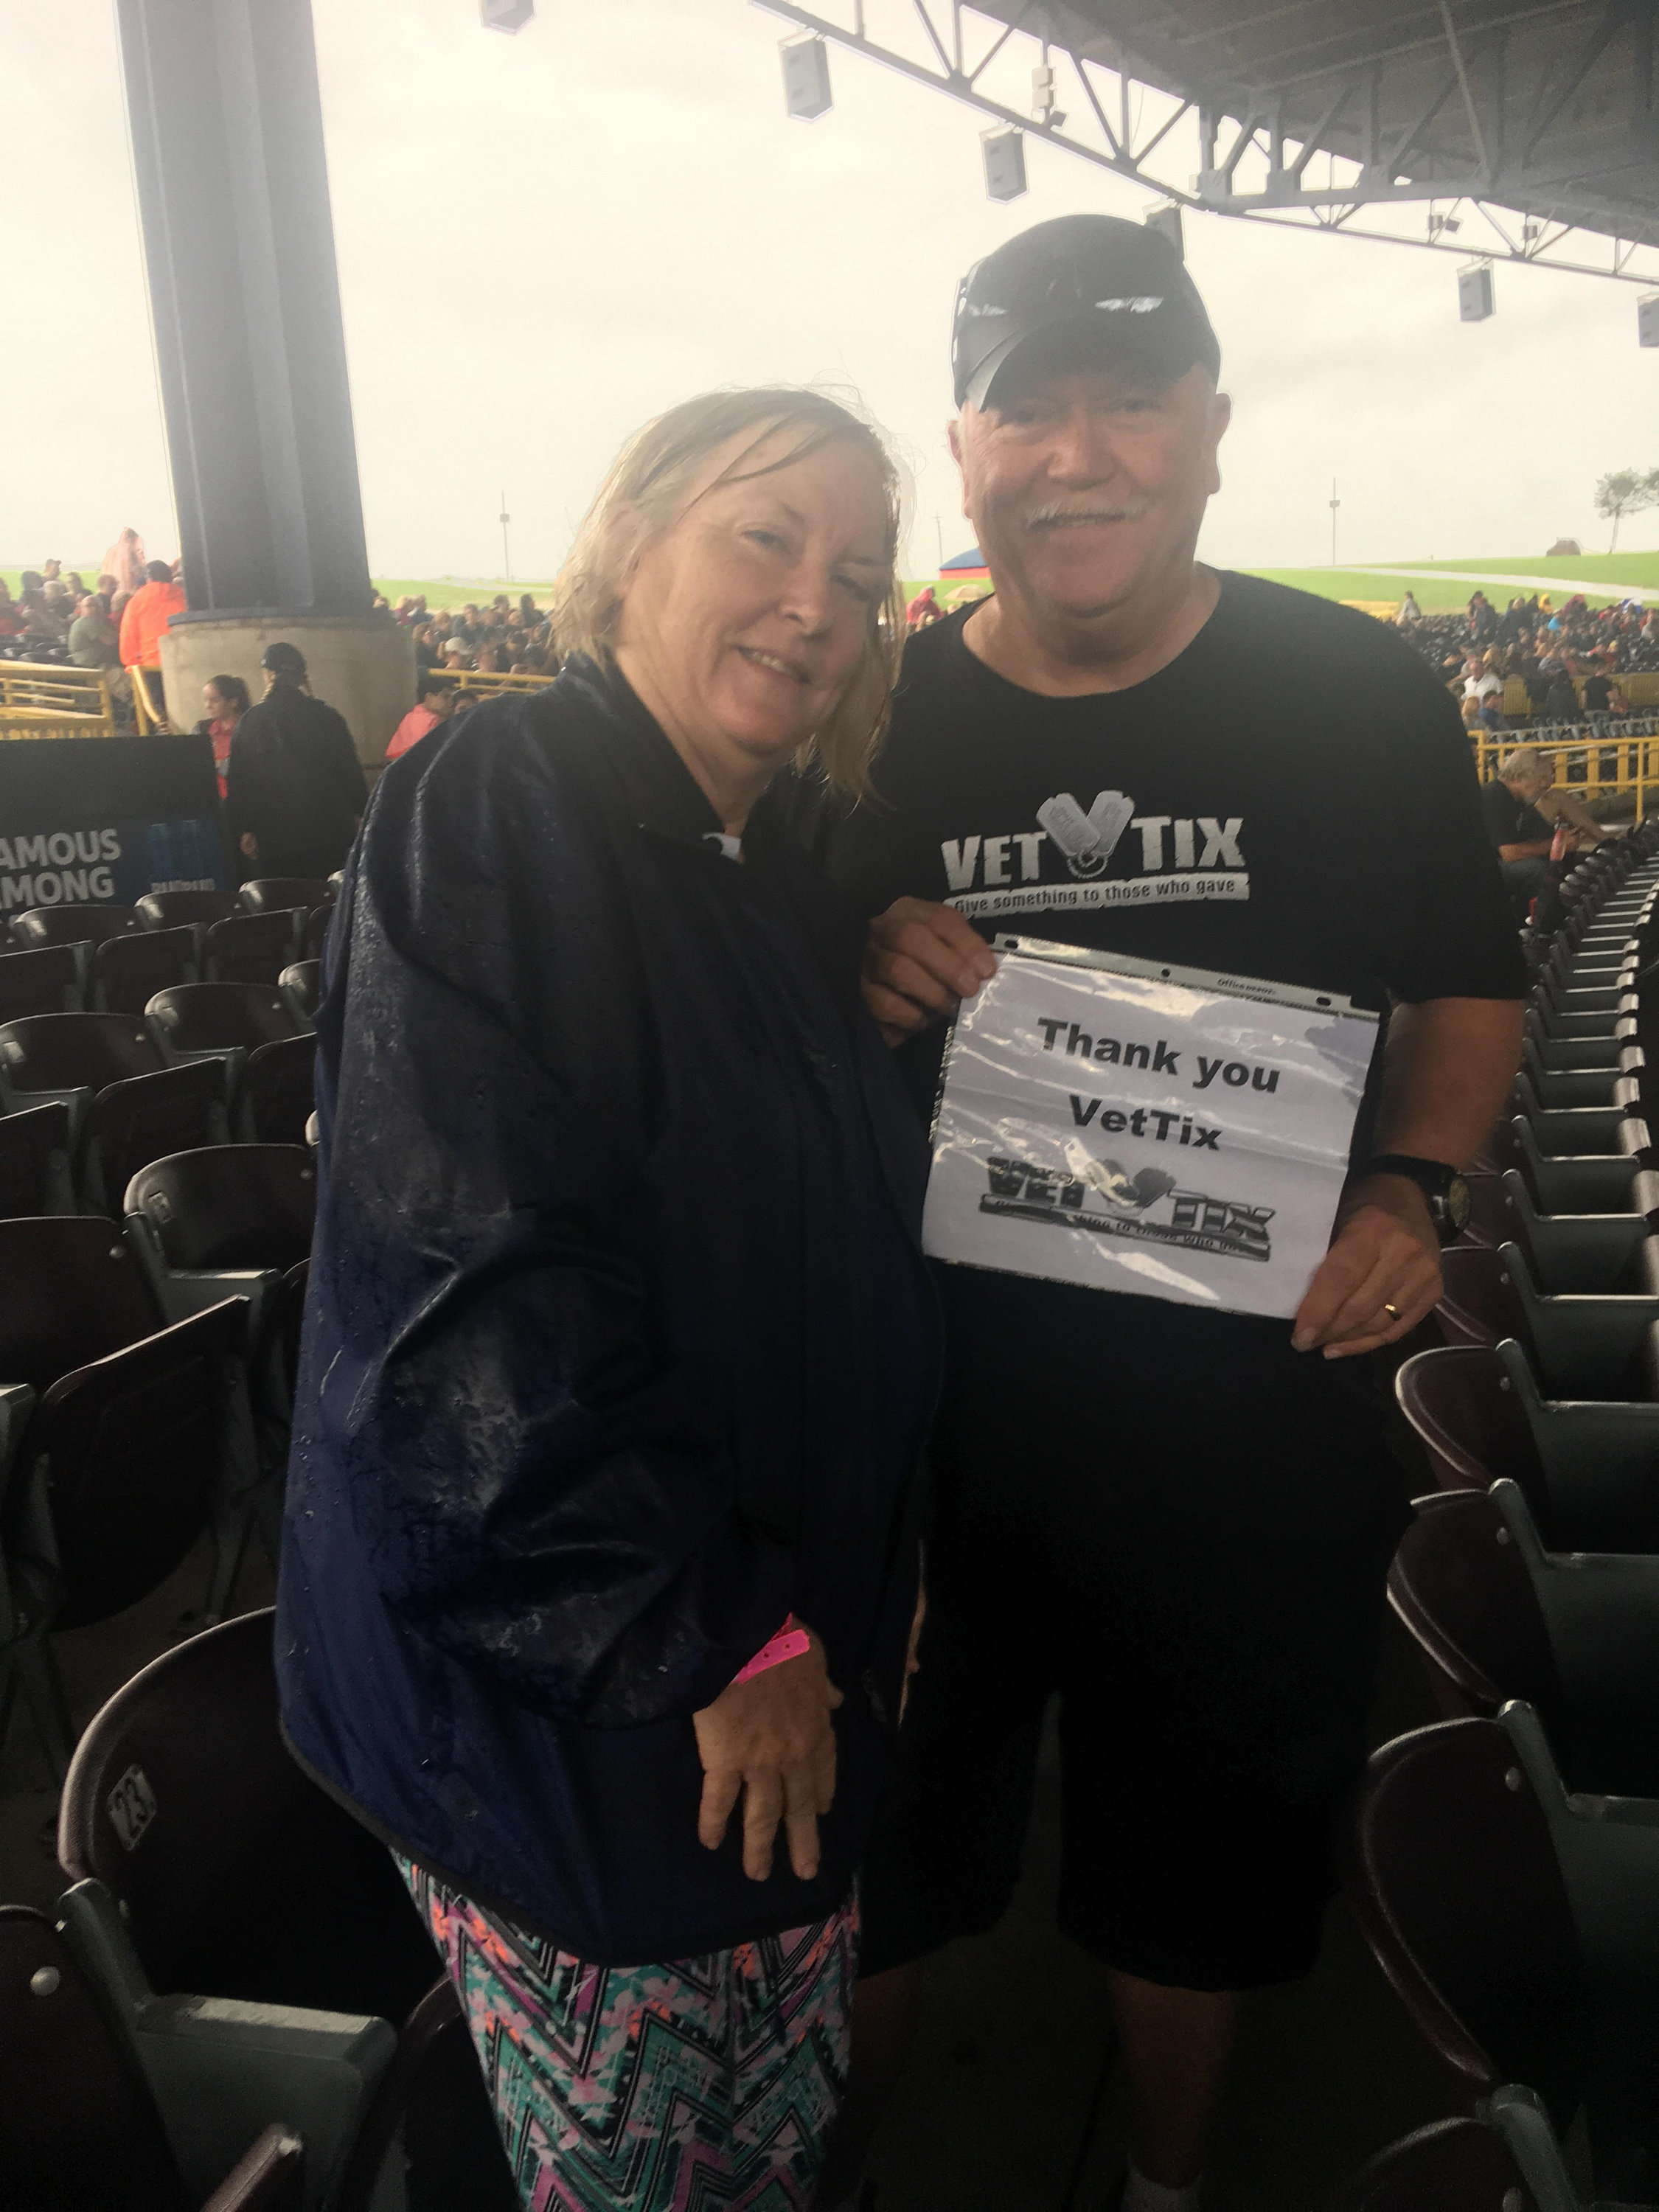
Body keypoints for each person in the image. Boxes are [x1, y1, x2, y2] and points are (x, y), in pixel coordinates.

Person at [794, 214, 1525, 2212]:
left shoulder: (1357, 690)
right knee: (867, 1854)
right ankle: (831, 2181)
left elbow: (1465, 984)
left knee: (1196, 1870)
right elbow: (738, 1035)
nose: (1076, 454)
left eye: (1127, 403)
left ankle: (1165, 2186)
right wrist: (846, 968)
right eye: (1025, 411)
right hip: (917, 1440)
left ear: (1211, 428)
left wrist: (1407, 1189)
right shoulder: (859, 722)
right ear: (963, 452)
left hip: (1245, 1425)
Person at [274, 387, 939, 2212]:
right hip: (606, 1699)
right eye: (765, 537)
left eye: (858, 575)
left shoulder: (758, 860)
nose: (816, 601)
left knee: (762, 2147)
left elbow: (767, 1235)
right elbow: (468, 1291)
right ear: (629, 547)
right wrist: (712, 1635)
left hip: (756, 1661)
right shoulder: (500, 804)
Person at [225, 641, 366, 878]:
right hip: (330, 831)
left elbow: (240, 781)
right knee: (328, 894)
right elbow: (349, 771)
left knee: (287, 895)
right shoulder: (327, 716)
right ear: (302, 677)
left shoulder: (250, 722)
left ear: (267, 674)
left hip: (274, 838)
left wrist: (244, 829)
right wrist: (359, 812)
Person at [1480, 747, 1562, 915]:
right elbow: (1509, 853)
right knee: (1536, 870)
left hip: (1496, 860)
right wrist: (1556, 846)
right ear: (1519, 777)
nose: (1546, 784)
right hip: (1483, 865)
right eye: (1540, 779)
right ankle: (1533, 920)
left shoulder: (1517, 799)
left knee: (1547, 862)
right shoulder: (1493, 796)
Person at [119, 557, 187, 684]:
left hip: (151, 667)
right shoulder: (184, 597)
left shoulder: (136, 601)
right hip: (183, 662)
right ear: (170, 577)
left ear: (148, 578)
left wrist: (132, 665)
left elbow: (128, 637)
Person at [193, 674, 251, 801]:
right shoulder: (202, 730)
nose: (208, 706)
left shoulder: (249, 730)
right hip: (208, 800)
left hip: (240, 800)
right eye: (206, 700)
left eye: (214, 700)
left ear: (233, 702)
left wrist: (219, 764)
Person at [383, 670, 456, 761]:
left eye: (452, 698)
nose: (451, 702)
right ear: (429, 697)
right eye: (446, 697)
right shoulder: (433, 720)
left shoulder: (409, 716)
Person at [68, 592, 119, 669]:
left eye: (97, 606)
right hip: (92, 665)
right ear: (81, 609)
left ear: (102, 608)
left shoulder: (99, 623)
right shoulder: (86, 621)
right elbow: (110, 641)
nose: (94, 609)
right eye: (89, 606)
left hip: (103, 662)